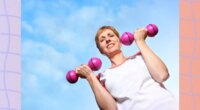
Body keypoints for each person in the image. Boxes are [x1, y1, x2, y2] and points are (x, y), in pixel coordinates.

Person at [75, 26, 178, 110]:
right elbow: (110, 109)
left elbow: (162, 75)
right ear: (100, 51)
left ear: (120, 41)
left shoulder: (141, 57)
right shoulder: (102, 78)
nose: (107, 39)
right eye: (102, 40)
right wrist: (90, 76)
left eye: (111, 35)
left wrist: (140, 41)